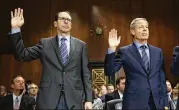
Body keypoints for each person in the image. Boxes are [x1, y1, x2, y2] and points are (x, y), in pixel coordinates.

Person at [9, 8, 92, 110]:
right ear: (55, 24)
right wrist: (16, 29)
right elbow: (22, 55)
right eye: (62, 19)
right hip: (49, 99)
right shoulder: (45, 44)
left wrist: (89, 99)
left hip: (74, 98)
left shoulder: (81, 45)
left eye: (68, 20)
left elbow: (86, 74)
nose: (66, 21)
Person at [104, 18, 168, 109]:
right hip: (134, 103)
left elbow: (161, 79)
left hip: (156, 103)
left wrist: (165, 103)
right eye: (141, 27)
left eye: (146, 27)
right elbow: (109, 71)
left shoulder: (157, 52)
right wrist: (112, 49)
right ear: (132, 31)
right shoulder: (125, 51)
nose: (145, 29)